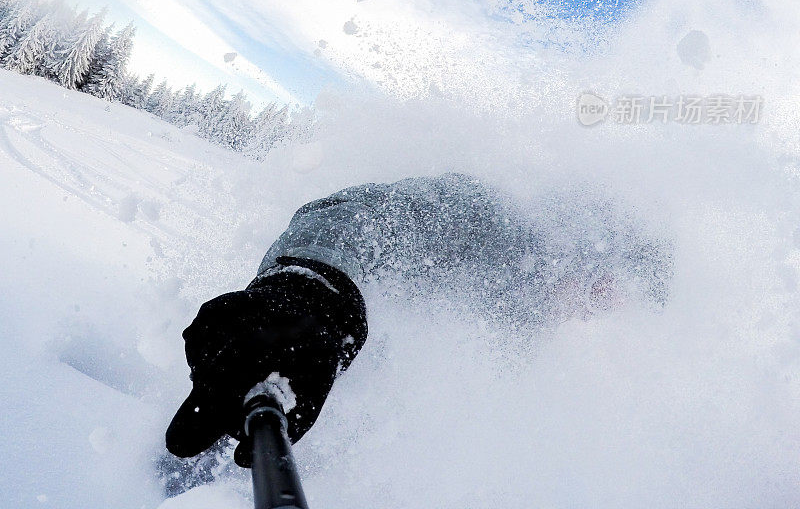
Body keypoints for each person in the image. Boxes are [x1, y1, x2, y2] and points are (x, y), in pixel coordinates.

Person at [165, 172, 669, 464]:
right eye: (607, 284)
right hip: (280, 370)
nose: (598, 307)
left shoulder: (527, 317)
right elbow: (353, 213)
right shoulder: (490, 221)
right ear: (578, 245)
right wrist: (307, 291)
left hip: (328, 426)